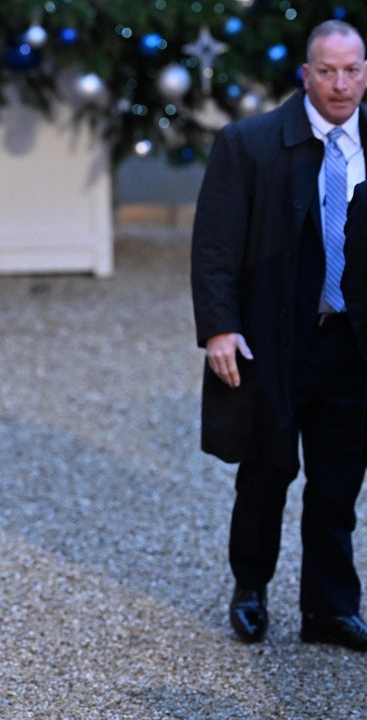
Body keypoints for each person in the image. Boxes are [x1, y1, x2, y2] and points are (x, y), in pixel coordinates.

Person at [191, 18, 367, 651]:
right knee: (266, 471)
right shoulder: (251, 143)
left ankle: (329, 609)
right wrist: (219, 328)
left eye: (352, 70)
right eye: (327, 71)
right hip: (275, 339)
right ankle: (251, 589)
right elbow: (214, 245)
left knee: (339, 483)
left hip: (352, 345)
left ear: (366, 73)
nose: (340, 84)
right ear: (305, 74)